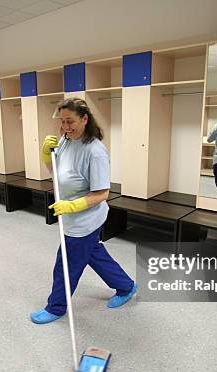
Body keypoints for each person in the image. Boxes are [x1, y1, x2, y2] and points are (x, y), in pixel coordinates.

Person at [30, 98, 137, 324]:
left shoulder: (95, 152)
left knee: (66, 265)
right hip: (71, 217)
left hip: (85, 219)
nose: (65, 126)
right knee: (93, 254)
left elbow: (102, 193)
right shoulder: (66, 140)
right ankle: (126, 286)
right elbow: (57, 174)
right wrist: (46, 155)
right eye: (62, 121)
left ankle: (56, 307)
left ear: (85, 119)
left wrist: (72, 205)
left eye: (70, 121)